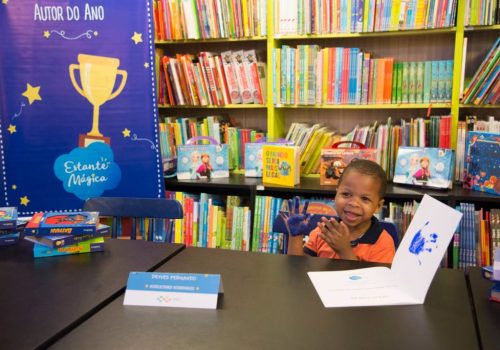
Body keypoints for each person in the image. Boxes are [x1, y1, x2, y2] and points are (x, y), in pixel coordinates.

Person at [287, 159, 395, 264]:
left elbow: (372, 282)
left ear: (378, 206)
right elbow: (299, 268)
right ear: (336, 194)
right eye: (346, 194)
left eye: (365, 199)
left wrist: (344, 250)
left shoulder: (383, 243)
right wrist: (295, 237)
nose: (353, 203)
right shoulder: (324, 231)